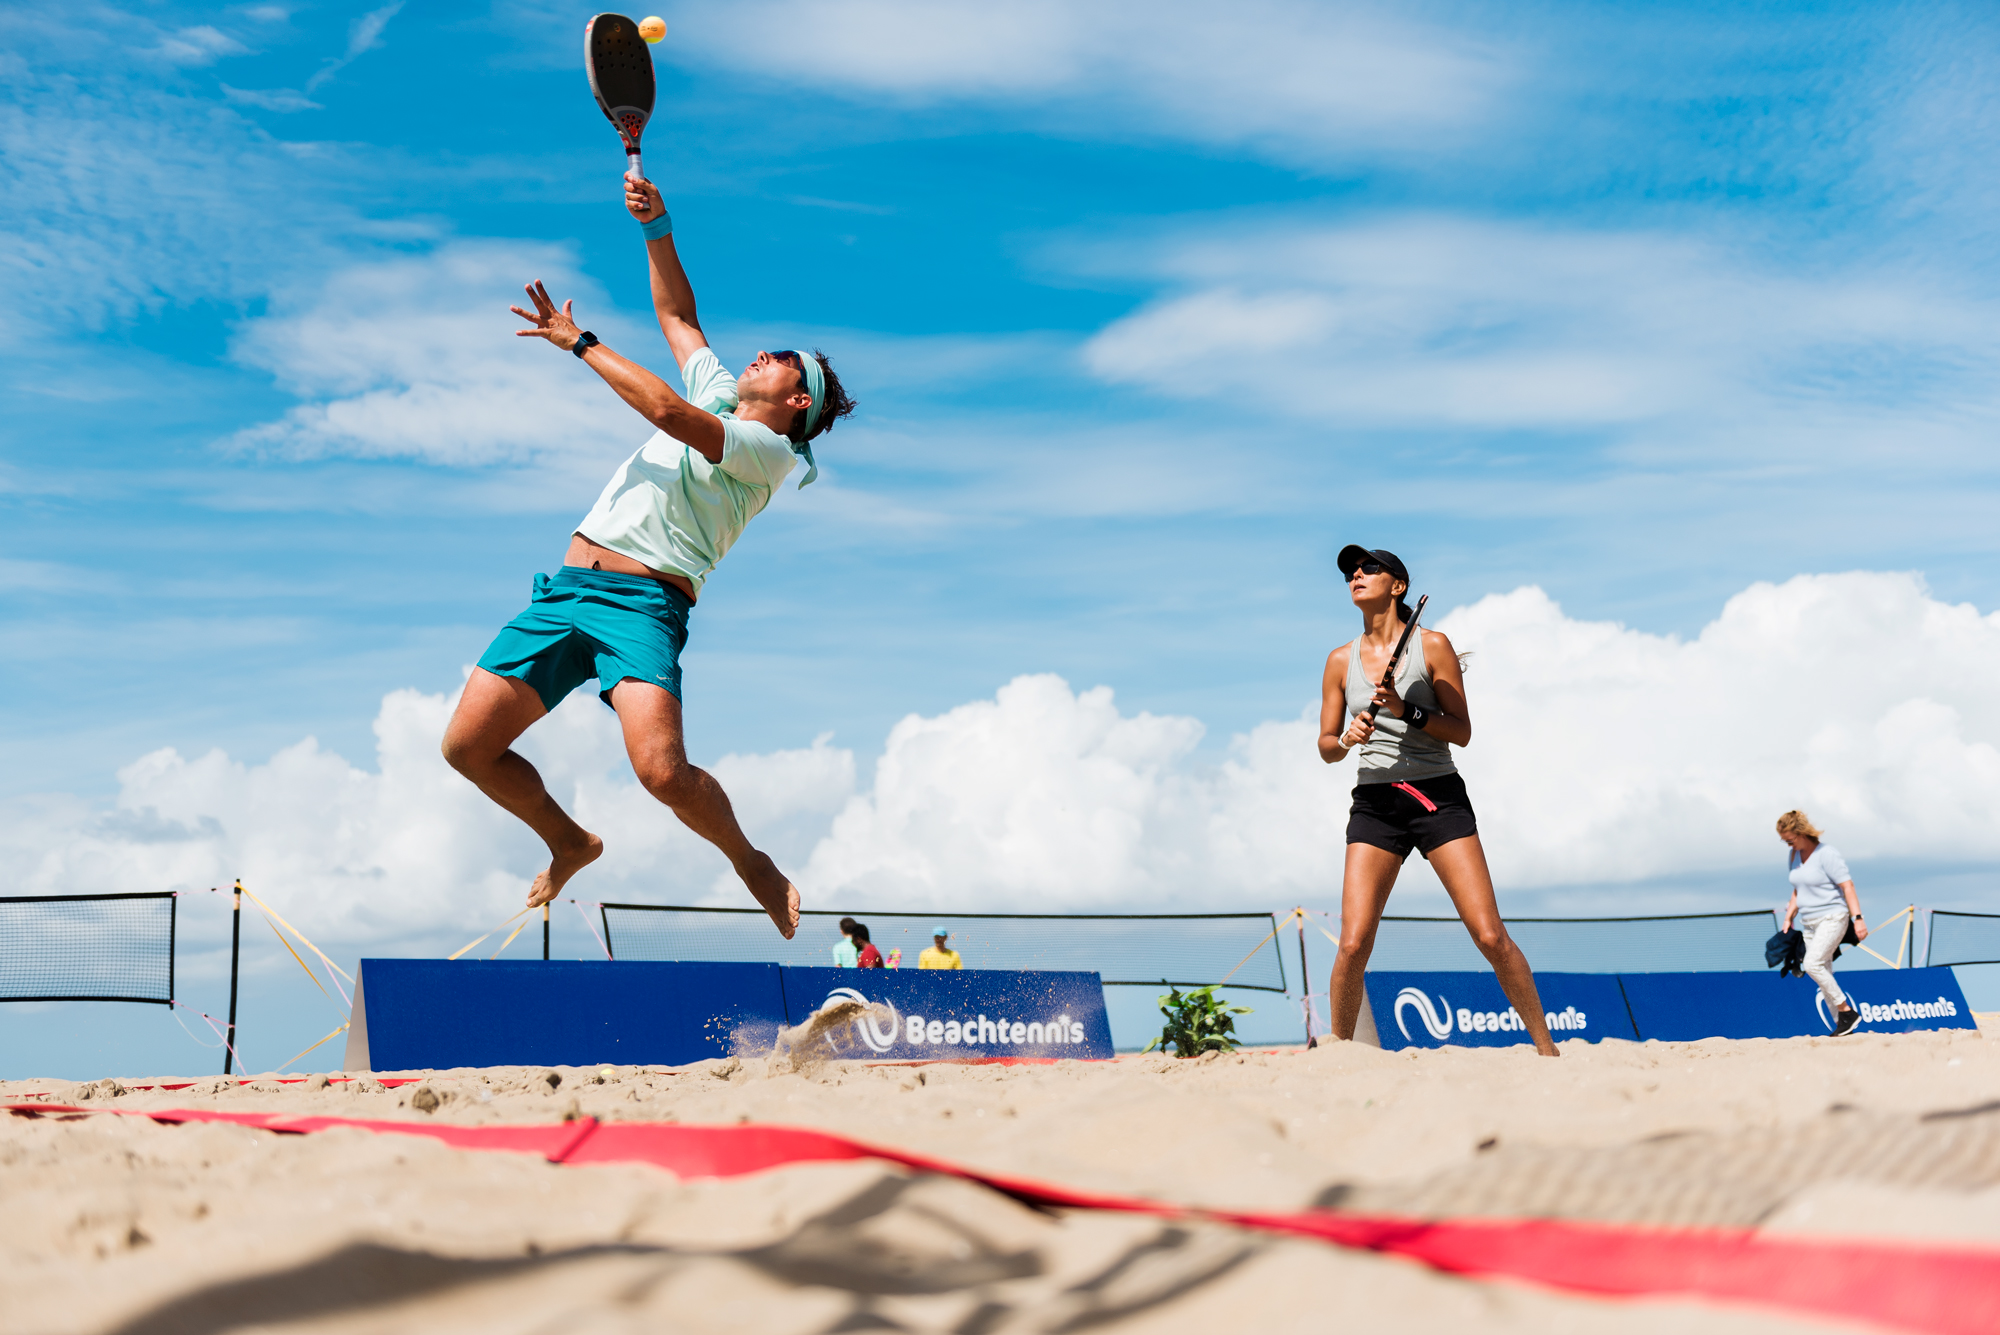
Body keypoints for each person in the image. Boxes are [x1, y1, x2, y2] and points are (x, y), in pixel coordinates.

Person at [439, 171, 855, 940]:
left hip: (643, 605)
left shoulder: (766, 452)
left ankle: (750, 860)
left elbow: (665, 409)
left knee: (662, 770)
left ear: (801, 400)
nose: (761, 352)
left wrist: (582, 343)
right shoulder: (727, 395)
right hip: (566, 590)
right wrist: (656, 225)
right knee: (466, 746)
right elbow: (679, 316)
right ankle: (569, 839)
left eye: (782, 359)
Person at [1317, 546, 1558, 1056]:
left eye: (1369, 568)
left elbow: (1462, 732)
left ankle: (1546, 1050)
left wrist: (1408, 712)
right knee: (1353, 944)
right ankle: (1339, 1058)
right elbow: (1325, 748)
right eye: (1350, 572)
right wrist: (1346, 738)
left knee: (1490, 935)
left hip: (1435, 796)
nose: (1356, 575)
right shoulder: (1340, 660)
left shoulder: (1434, 645)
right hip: (1375, 803)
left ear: (1398, 586)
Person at [1777, 810, 1867, 1035]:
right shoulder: (1794, 856)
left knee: (1812, 964)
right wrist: (1789, 916)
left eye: (1789, 839)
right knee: (1823, 971)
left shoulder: (1827, 854)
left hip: (1833, 917)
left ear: (1801, 833)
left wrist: (1858, 919)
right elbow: (1798, 889)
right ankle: (1843, 1025)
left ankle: (1847, 1011)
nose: (1788, 845)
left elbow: (1848, 886)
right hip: (1809, 923)